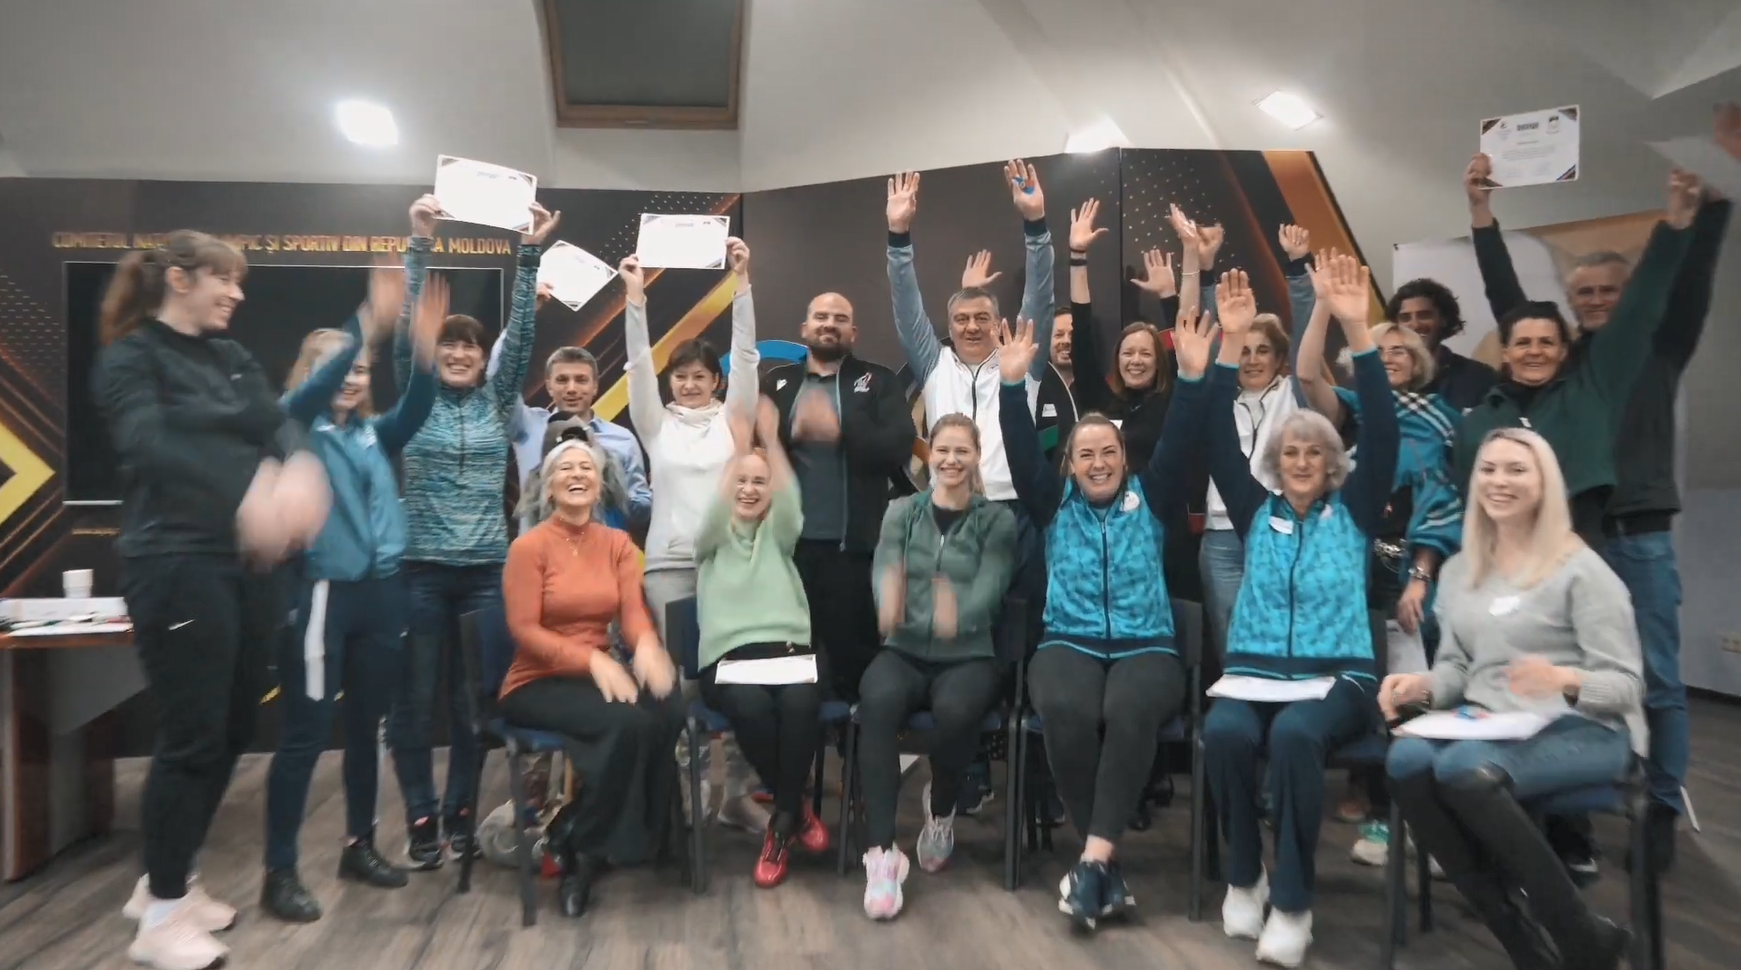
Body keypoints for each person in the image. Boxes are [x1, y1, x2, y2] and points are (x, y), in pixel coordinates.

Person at [1462, 131, 1734, 869]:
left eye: (1606, 290)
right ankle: (1566, 818)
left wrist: (1700, 213)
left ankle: (1660, 810)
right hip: (1566, 539)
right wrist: (1482, 216)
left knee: (1655, 681)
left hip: (1636, 535)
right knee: (1557, 674)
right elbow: (1507, 303)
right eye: (1582, 294)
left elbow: (1687, 282)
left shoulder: (1657, 344)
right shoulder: (1564, 366)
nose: (1594, 302)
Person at [96, 230, 332, 970]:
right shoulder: (131, 357)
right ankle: (161, 918)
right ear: (178, 278)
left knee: (232, 728)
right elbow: (148, 445)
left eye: (240, 282)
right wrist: (246, 491)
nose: (236, 294)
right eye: (224, 280)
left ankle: (169, 880)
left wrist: (295, 463)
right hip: (175, 562)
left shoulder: (229, 358)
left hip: (244, 567)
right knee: (192, 735)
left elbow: (278, 419)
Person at [1189, 262, 1399, 969]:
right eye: (1290, 452)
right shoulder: (1254, 512)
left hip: (1335, 678)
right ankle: (1243, 874)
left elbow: (1385, 425)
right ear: (1275, 463)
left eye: (1315, 451)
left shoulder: (1355, 511)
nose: (1302, 459)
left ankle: (1293, 897)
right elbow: (1215, 436)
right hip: (1252, 677)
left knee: (1293, 741)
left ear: (1335, 462)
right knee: (1221, 734)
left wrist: (1356, 328)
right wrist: (1229, 342)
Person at [1383, 428, 1645, 970]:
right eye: (1489, 469)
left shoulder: (1582, 570)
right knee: (1405, 759)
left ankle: (1577, 936)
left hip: (1589, 726)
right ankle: (1524, 941)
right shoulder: (1458, 572)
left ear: (1545, 483)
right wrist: (1423, 687)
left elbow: (1626, 686)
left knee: (1464, 771)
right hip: (1490, 723)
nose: (1500, 481)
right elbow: (1457, 667)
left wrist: (1563, 679)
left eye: (1516, 470)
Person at [1000, 310, 1199, 931]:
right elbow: (1015, 448)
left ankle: (1092, 860)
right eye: (1085, 454)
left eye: (1108, 452)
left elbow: (1181, 437)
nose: (1097, 462)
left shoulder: (1155, 495)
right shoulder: (1052, 500)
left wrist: (1191, 379)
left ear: (1123, 457)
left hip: (1148, 647)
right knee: (1064, 711)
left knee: (1129, 712)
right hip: (1069, 641)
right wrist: (1011, 388)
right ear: (1070, 463)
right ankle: (1102, 860)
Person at [260, 268, 444, 921]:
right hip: (323, 599)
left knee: (365, 728)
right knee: (306, 735)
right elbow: (312, 388)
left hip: (382, 596)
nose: (351, 376)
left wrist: (420, 352)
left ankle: (357, 845)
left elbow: (418, 407)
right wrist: (368, 319)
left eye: (362, 369)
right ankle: (279, 872)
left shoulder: (372, 434)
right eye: (339, 366)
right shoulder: (296, 422)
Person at [389, 194, 559, 869]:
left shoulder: (494, 400)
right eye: (449, 344)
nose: (459, 352)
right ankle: (420, 817)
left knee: (470, 705)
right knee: (411, 706)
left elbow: (518, 336)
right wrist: (419, 245)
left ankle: (460, 812)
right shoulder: (415, 396)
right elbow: (407, 327)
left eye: (469, 346)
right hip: (420, 575)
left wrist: (529, 255)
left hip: (485, 573)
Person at [1293, 253, 1465, 859]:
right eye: (1379, 350)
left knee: (1412, 688)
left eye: (1399, 350)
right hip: (1354, 572)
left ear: (1419, 359)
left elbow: (1446, 505)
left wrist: (1421, 577)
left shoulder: (1445, 420)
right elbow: (1307, 371)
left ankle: (1414, 815)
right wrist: (1323, 307)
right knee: (1363, 681)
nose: (1388, 358)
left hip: (1412, 577)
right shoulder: (1357, 411)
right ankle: (1373, 793)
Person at [499, 437, 684, 918]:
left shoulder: (618, 544)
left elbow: (632, 613)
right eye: (567, 469)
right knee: (628, 725)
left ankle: (578, 831)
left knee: (669, 710)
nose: (578, 475)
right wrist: (595, 662)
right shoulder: (528, 547)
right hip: (536, 681)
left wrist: (645, 646)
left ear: (601, 483)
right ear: (550, 486)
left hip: (596, 675)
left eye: (587, 467)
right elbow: (523, 630)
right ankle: (584, 853)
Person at [624, 239, 767, 832]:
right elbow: (635, 366)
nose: (688, 384)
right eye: (680, 376)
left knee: (735, 678)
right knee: (680, 688)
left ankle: (734, 795)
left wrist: (744, 284)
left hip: (732, 565)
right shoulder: (654, 426)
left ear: (715, 381)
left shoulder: (735, 424)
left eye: (700, 376)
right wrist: (634, 300)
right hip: (670, 567)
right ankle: (682, 801)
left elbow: (749, 356)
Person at [858, 413, 1017, 920]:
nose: (950, 460)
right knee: (876, 702)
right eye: (942, 450)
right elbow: (885, 568)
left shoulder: (997, 520)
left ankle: (942, 807)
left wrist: (957, 615)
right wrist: (890, 603)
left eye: (961, 452)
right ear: (931, 456)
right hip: (903, 649)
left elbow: (991, 588)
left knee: (955, 712)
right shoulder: (901, 511)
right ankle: (883, 855)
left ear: (976, 457)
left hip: (968, 654)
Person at [695, 397, 830, 888]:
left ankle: (782, 821)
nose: (750, 489)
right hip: (729, 662)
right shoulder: (711, 538)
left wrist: (771, 441)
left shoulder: (780, 534)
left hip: (788, 655)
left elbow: (790, 503)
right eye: (741, 482)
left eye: (759, 481)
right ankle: (794, 811)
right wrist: (738, 451)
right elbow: (713, 512)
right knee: (750, 709)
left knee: (801, 705)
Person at [760, 290, 915, 703]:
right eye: (821, 316)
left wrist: (842, 430)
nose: (830, 324)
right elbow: (755, 457)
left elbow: (898, 448)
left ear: (854, 332)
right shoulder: (778, 382)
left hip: (854, 550)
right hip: (788, 551)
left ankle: (855, 761)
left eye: (840, 318)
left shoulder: (878, 381)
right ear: (804, 329)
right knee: (794, 666)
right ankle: (799, 760)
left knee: (853, 664)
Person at [488, 309, 652, 535]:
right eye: (562, 380)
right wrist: (523, 313)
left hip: (601, 560)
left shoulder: (621, 439)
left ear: (595, 386)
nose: (572, 388)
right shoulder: (528, 425)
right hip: (540, 560)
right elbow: (500, 381)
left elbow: (641, 511)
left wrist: (612, 487)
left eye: (581, 380)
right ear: (548, 386)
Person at [1382, 278, 1497, 411]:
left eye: (1424, 315)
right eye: (1405, 318)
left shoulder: (1479, 376)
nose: (1415, 325)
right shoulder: (1380, 376)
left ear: (1444, 319)